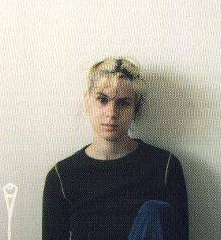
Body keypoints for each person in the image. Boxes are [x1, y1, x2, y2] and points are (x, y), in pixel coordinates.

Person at [42, 57, 189, 240]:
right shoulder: (62, 176)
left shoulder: (164, 167)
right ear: (87, 102)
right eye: (102, 99)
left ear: (135, 109)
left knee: (154, 211)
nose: (111, 113)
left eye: (123, 103)